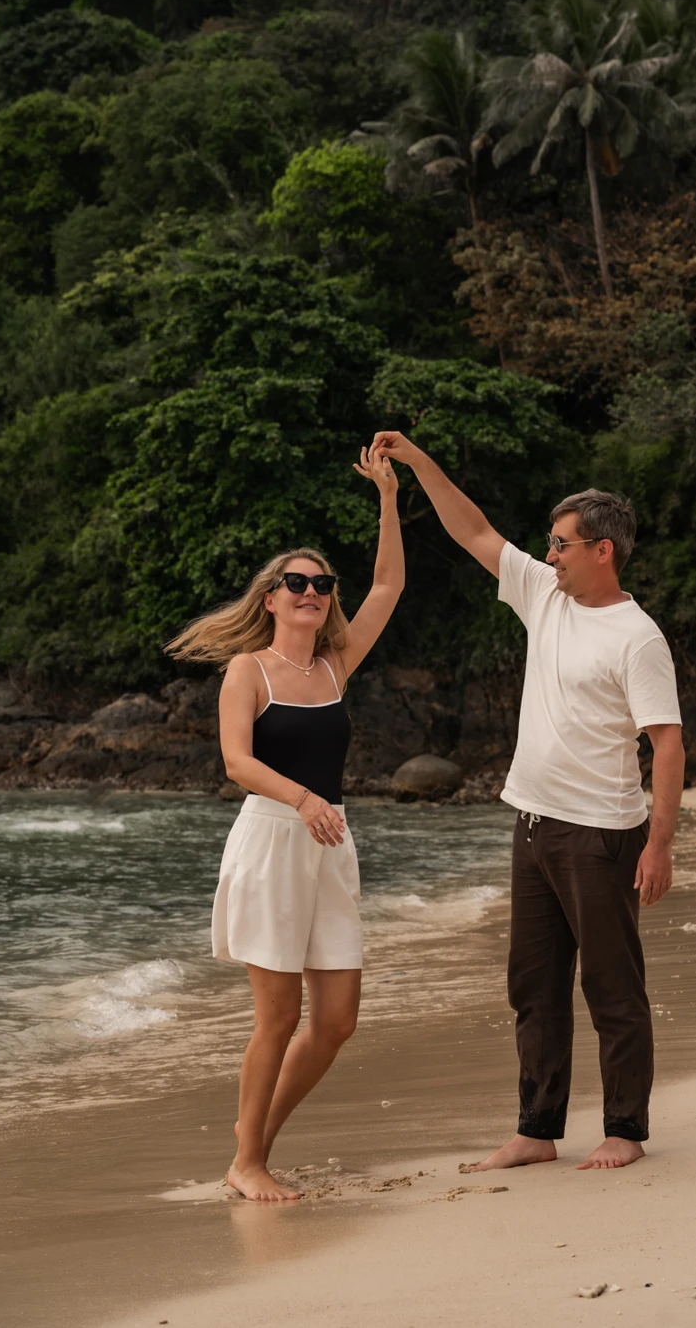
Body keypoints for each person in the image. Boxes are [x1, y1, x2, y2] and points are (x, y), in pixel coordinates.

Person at [370, 429, 685, 1172]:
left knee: (612, 987)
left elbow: (668, 744)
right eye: (550, 544)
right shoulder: (545, 594)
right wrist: (418, 462)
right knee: (534, 986)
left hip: (602, 833)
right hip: (535, 825)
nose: (550, 554)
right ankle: (537, 1130)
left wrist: (659, 844)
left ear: (602, 550)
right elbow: (474, 530)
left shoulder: (637, 638)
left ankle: (624, 1129)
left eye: (562, 544)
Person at [165, 445, 403, 1201]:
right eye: (295, 583)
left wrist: (388, 498)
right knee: (278, 1018)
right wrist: (302, 799)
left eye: (321, 584)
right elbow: (236, 761)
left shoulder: (335, 665)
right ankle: (248, 1163)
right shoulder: (249, 671)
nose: (311, 592)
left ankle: (251, 1148)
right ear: (269, 599)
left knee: (336, 1020)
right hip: (273, 839)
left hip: (329, 844)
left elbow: (389, 584)